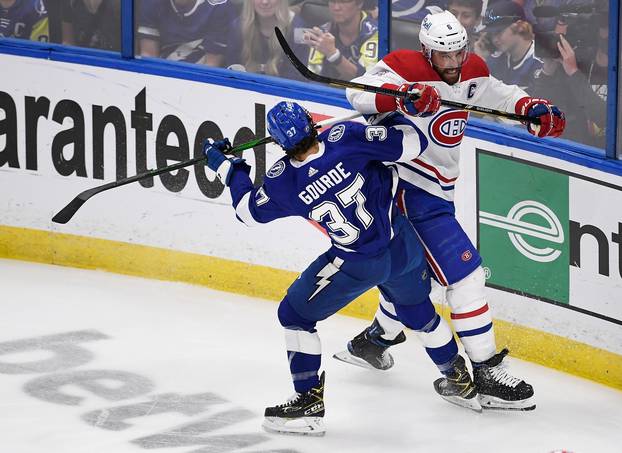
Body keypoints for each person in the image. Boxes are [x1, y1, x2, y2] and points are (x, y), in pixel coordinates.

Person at [204, 101, 481, 435]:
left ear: (278, 143)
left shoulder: (284, 182)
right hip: (402, 246)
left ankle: (307, 402)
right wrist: (394, 110)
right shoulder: (346, 137)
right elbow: (414, 144)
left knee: (294, 316)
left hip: (357, 263)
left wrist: (230, 170)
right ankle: (458, 378)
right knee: (417, 311)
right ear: (310, 122)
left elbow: (246, 212)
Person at [343, 9, 565, 411]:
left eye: (457, 54)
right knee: (466, 277)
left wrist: (532, 107)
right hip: (407, 187)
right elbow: (356, 91)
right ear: (427, 52)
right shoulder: (403, 66)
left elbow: (501, 95)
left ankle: (372, 342)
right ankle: (486, 372)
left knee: (418, 281)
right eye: (443, 57)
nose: (452, 64)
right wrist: (401, 95)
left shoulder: (472, 69)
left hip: (438, 191)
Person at [225, 0, 309, 80]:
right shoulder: (238, 26)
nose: (265, 2)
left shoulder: (299, 30)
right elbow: (232, 68)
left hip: (283, 92)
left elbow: (297, 78)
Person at [136, 0, 236, 66]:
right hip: (163, 75)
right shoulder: (151, 3)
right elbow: (148, 56)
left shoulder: (219, 5)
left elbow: (212, 65)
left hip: (200, 81)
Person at [305, 0, 378, 80]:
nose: (336, 8)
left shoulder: (374, 33)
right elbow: (312, 77)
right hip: (328, 91)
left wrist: (333, 55)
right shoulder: (322, 33)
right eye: (332, 1)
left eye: (344, 2)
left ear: (359, 3)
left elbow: (367, 81)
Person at [483, 2, 542, 91]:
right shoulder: (494, 60)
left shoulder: (540, 62)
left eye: (499, 32)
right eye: (491, 34)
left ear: (519, 26)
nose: (495, 39)